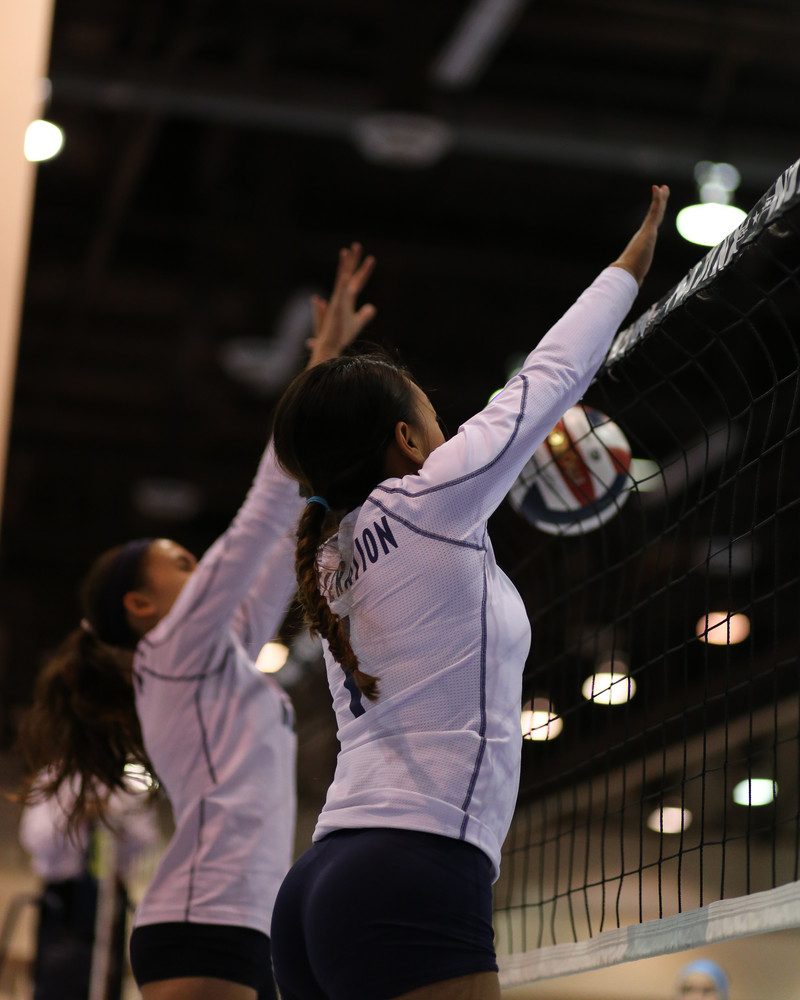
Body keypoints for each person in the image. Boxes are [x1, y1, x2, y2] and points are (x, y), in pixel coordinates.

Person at [268, 186, 670, 1000]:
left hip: (318, 887)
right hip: (412, 870)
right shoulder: (428, 497)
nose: (450, 435)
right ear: (408, 442)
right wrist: (632, 262)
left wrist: (323, 371)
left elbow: (313, 450)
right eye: (435, 421)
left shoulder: (330, 554)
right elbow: (552, 373)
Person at [17, 244, 377, 1000]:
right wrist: (312, 374)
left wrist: (324, 391)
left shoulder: (218, 654)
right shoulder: (172, 649)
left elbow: (280, 543)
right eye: (181, 562)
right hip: (203, 919)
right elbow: (258, 520)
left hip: (246, 919)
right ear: (140, 607)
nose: (199, 567)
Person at [19, 773, 159, 1000]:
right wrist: (74, 816)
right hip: (64, 898)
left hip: (110, 897)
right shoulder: (52, 779)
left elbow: (146, 840)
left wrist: (111, 817)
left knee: (105, 976)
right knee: (58, 980)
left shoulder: (128, 785)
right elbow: (33, 839)